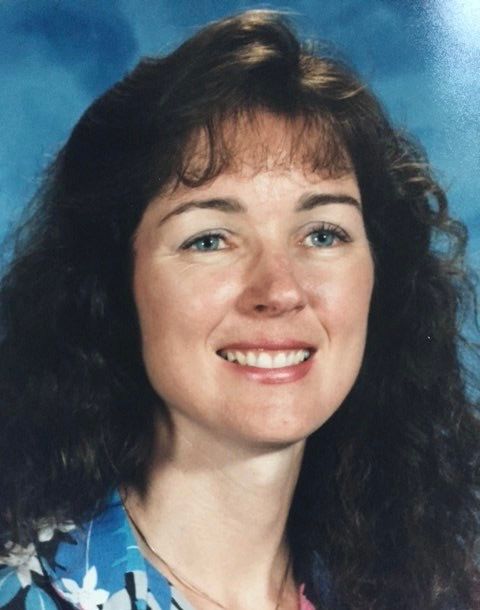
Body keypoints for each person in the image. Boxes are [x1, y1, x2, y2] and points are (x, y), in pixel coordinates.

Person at [0, 9, 478, 610]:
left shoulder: (432, 590)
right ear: (112, 286)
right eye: (209, 240)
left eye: (323, 233)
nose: (279, 289)